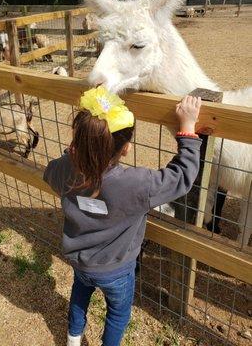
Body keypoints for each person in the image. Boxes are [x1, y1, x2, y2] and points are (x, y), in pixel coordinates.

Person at [44, 86, 202, 346]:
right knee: (117, 313)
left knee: (79, 294)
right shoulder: (137, 184)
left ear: (79, 140)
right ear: (126, 148)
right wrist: (187, 128)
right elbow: (181, 178)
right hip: (118, 269)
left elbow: (50, 173)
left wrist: (69, 158)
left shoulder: (65, 169)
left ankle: (73, 339)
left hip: (80, 263)